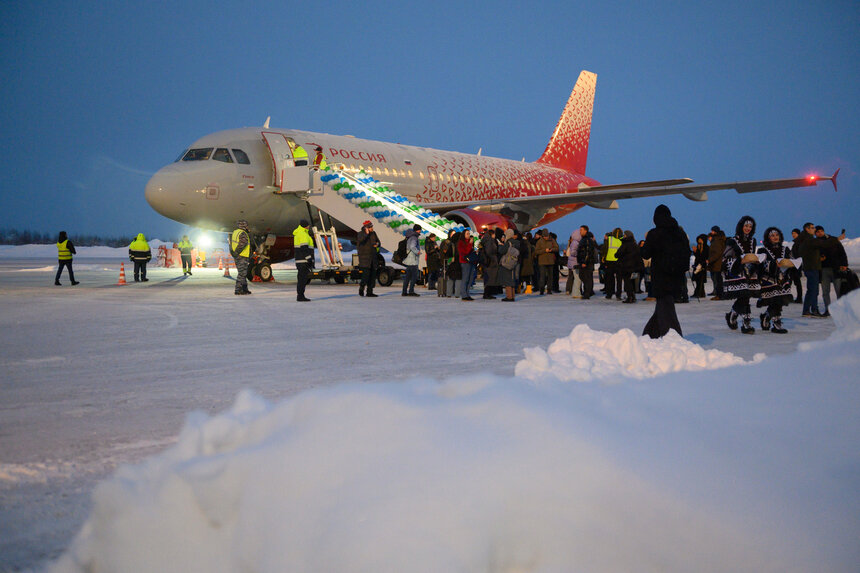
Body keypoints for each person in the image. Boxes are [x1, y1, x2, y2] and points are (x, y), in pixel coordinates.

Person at [641, 205, 689, 338]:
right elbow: (686, 253)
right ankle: (650, 334)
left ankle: (673, 337)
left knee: (666, 308)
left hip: (661, 277)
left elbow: (645, 254)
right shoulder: (680, 233)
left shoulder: (654, 234)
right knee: (663, 305)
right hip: (677, 276)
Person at [722, 216, 761, 333]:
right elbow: (726, 257)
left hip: (749, 271)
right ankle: (746, 323)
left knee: (746, 296)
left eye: (750, 226)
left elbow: (751, 254)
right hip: (737, 272)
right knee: (744, 296)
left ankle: (733, 314)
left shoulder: (752, 241)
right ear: (741, 226)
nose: (748, 228)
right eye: (746, 226)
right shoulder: (732, 241)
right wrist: (739, 261)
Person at [756, 227, 794, 333]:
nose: (775, 237)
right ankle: (776, 323)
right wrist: (773, 265)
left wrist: (791, 264)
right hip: (768, 280)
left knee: (779, 302)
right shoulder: (762, 250)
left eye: (777, 235)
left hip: (783, 279)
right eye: (772, 236)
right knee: (775, 301)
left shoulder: (785, 249)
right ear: (768, 238)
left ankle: (767, 316)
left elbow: (792, 261)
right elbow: (760, 265)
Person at [793, 222, 826, 318]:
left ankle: (807, 310)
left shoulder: (804, 239)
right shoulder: (808, 239)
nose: (814, 229)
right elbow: (822, 244)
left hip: (811, 266)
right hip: (812, 267)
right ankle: (813, 309)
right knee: (813, 290)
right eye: (812, 228)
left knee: (811, 289)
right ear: (807, 229)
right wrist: (837, 239)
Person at [816, 225, 848, 316]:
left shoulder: (833, 240)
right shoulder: (815, 243)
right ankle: (828, 309)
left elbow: (842, 253)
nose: (819, 233)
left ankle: (840, 309)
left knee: (839, 290)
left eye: (821, 231)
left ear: (823, 231)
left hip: (836, 268)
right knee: (825, 291)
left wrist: (844, 264)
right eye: (817, 232)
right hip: (823, 269)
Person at [615, 230, 642, 303]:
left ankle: (630, 297)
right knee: (630, 282)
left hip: (625, 266)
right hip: (633, 266)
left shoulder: (625, 244)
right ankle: (632, 296)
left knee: (627, 282)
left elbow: (618, 254)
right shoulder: (634, 244)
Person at [356, 220, 380, 297]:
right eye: (370, 227)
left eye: (372, 227)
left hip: (373, 258)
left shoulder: (374, 233)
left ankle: (370, 291)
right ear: (366, 228)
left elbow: (378, 242)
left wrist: (377, 244)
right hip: (365, 259)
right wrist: (366, 234)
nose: (372, 228)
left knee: (372, 276)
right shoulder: (360, 234)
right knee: (366, 276)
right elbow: (361, 241)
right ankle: (361, 287)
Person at [293, 219, 314, 301]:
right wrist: (309, 259)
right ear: (305, 226)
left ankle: (300, 295)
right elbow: (304, 248)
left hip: (300, 260)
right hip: (303, 261)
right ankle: (300, 296)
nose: (309, 226)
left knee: (301, 279)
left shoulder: (300, 233)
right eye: (308, 225)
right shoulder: (303, 234)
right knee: (302, 279)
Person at [231, 220, 253, 295]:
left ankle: (244, 288)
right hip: (242, 256)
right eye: (246, 225)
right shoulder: (243, 234)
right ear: (244, 226)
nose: (247, 227)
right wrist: (237, 252)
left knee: (243, 273)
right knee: (242, 274)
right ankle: (238, 289)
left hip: (237, 256)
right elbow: (242, 244)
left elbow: (231, 243)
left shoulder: (235, 232)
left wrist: (233, 253)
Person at [534, 229, 558, 295]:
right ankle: (541, 289)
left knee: (550, 276)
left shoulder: (552, 240)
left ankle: (549, 289)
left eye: (547, 236)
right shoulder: (539, 242)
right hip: (542, 261)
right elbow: (536, 251)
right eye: (544, 236)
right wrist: (544, 250)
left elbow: (557, 248)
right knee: (542, 276)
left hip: (550, 261)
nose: (546, 237)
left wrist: (551, 250)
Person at [497, 228, 520, 301]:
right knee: (512, 279)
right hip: (514, 262)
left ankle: (509, 296)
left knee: (507, 280)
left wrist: (500, 245)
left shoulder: (508, 242)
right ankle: (512, 296)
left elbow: (502, 251)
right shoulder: (517, 243)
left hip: (507, 262)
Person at [576, 228, 597, 299]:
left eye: (581, 230)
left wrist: (584, 261)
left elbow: (588, 252)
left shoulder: (587, 240)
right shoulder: (584, 239)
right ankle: (588, 292)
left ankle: (587, 293)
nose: (580, 231)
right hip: (583, 262)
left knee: (586, 278)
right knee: (584, 277)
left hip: (586, 263)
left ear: (586, 231)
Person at [603, 228, 623, 300]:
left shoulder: (609, 239)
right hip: (619, 261)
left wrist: (603, 259)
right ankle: (618, 294)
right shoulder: (623, 239)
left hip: (609, 260)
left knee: (609, 279)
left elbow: (605, 249)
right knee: (619, 279)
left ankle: (609, 293)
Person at [480, 227, 500, 299]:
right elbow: (489, 251)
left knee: (489, 277)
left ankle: (488, 293)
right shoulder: (489, 241)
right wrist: (493, 256)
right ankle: (487, 293)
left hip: (489, 261)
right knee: (490, 278)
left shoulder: (486, 240)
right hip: (490, 262)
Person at [458, 228, 477, 301]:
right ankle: (464, 294)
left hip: (471, 262)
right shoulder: (461, 242)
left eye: (469, 233)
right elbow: (465, 252)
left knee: (470, 278)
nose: (469, 235)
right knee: (465, 278)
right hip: (465, 262)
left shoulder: (470, 242)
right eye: (467, 234)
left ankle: (467, 293)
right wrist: (469, 244)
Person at [402, 224, 421, 297]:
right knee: (414, 276)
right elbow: (412, 246)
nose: (420, 231)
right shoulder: (414, 238)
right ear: (417, 230)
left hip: (409, 260)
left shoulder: (410, 237)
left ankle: (404, 291)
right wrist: (417, 251)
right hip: (413, 260)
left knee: (407, 277)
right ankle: (411, 291)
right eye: (419, 230)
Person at [707, 226, 725, 300]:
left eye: (713, 231)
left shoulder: (717, 240)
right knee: (718, 279)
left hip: (717, 263)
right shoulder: (718, 239)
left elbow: (717, 253)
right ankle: (719, 294)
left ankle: (719, 295)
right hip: (717, 263)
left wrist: (710, 260)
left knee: (718, 279)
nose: (711, 232)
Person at [565, 227, 583, 298]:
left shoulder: (573, 242)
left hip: (573, 262)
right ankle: (576, 293)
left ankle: (575, 292)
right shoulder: (576, 243)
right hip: (575, 263)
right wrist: (579, 254)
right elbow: (573, 252)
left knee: (576, 278)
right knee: (577, 279)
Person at [691, 234, 709, 299]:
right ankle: (699, 292)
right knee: (697, 280)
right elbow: (698, 256)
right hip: (697, 265)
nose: (699, 241)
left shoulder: (706, 247)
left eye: (700, 240)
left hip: (702, 265)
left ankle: (700, 293)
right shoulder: (698, 247)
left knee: (700, 280)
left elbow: (704, 256)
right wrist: (695, 252)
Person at [789, 228, 803, 303]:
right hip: (794, 265)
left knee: (797, 282)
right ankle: (797, 298)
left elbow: (798, 255)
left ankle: (799, 298)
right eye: (792, 233)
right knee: (794, 281)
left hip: (796, 265)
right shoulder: (796, 243)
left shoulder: (799, 243)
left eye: (795, 233)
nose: (793, 235)